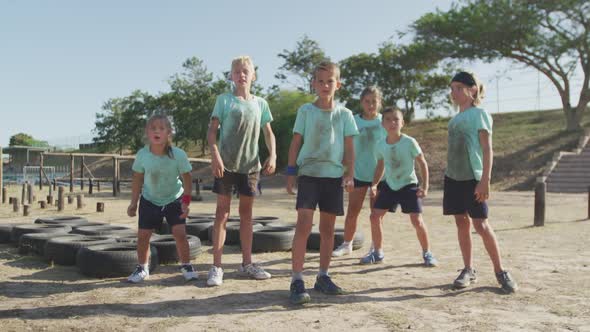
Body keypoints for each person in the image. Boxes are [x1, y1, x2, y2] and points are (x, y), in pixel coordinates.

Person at [286, 61, 359, 304]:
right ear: (313, 84)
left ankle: (323, 276)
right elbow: (296, 142)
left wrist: (350, 173)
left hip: (333, 176)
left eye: (330, 81)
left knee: (328, 230)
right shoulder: (306, 111)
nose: (325, 85)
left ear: (338, 84)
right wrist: (290, 171)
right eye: (320, 81)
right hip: (309, 174)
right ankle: (297, 279)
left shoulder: (345, 114)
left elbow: (350, 147)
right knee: (304, 225)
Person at [207, 55, 277, 287]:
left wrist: (273, 154)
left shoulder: (261, 104)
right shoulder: (224, 101)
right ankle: (216, 267)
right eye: (237, 71)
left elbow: (268, 132)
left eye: (246, 71)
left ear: (253, 75)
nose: (241, 75)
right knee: (222, 214)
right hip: (226, 164)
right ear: (231, 76)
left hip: (250, 166)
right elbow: (212, 132)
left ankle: (247, 263)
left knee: (246, 215)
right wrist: (215, 155)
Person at [446, 71, 517, 293]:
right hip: (453, 178)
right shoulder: (454, 119)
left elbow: (487, 149)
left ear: (472, 89)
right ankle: (468, 269)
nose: (454, 92)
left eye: (458, 88)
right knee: (461, 222)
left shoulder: (480, 114)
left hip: (473, 179)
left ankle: (501, 271)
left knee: (481, 224)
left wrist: (485, 180)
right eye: (452, 88)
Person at [361, 107, 438, 267]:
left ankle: (427, 253)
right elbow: (380, 165)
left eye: (396, 119)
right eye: (388, 119)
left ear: (402, 122)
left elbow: (422, 162)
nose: (392, 122)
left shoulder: (409, 142)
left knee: (416, 220)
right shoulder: (380, 144)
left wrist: (425, 186)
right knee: (374, 217)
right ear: (382, 124)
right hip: (390, 186)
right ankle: (378, 252)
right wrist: (374, 184)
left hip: (408, 185)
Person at [127, 114, 198, 283]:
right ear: (147, 132)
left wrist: (186, 202)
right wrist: (133, 203)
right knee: (143, 236)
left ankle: (186, 265)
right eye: (153, 128)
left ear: (169, 133)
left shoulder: (178, 154)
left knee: (179, 233)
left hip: (174, 199)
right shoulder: (142, 155)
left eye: (161, 128)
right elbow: (137, 179)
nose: (156, 131)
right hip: (150, 199)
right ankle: (142, 267)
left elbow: (187, 179)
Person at [332, 86, 385, 258]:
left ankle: (375, 248)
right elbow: (344, 146)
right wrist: (344, 171)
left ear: (379, 103)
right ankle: (347, 244)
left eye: (374, 102)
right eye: (367, 101)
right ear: (361, 102)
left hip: (380, 174)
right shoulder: (353, 120)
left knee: (375, 215)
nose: (370, 105)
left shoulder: (385, 121)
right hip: (357, 173)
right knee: (353, 211)